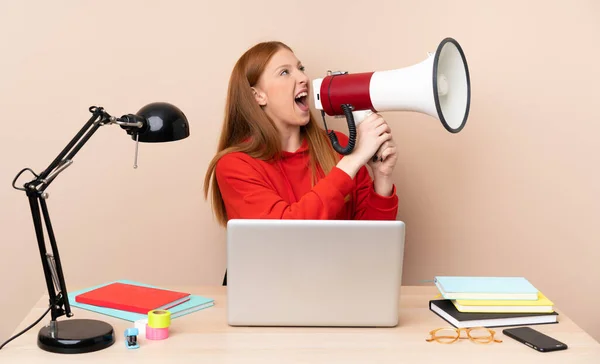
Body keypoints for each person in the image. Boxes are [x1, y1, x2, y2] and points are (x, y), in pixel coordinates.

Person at [203, 41, 399, 283]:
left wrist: (382, 178)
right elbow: (287, 234)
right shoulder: (235, 165)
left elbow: (372, 246)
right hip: (268, 292)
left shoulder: (337, 147)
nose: (303, 77)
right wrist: (354, 160)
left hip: (337, 286)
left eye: (300, 68)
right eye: (285, 72)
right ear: (258, 95)